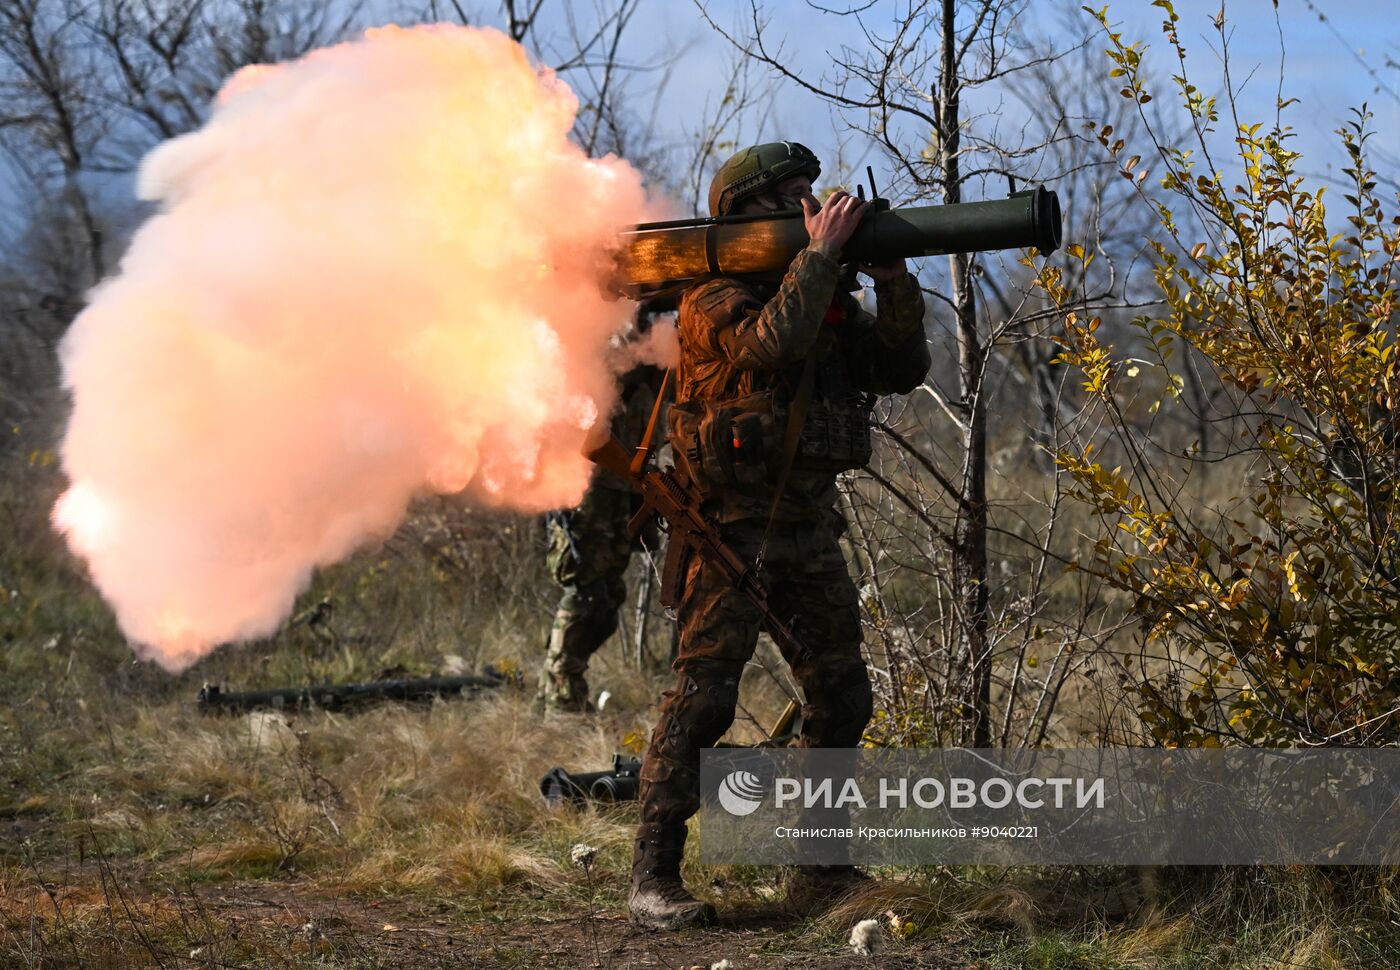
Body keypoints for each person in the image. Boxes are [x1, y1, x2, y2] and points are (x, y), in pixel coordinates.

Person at [628, 141, 931, 929]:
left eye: (814, 194)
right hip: (724, 533)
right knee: (704, 701)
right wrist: (822, 259)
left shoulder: (818, 296)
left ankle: (821, 870)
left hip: (802, 528)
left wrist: (894, 281)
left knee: (842, 691)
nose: (812, 208)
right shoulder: (713, 299)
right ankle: (653, 875)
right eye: (790, 198)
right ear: (743, 215)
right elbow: (769, 345)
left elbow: (898, 367)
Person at [540, 306, 669, 714]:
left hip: (624, 484)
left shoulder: (659, 349)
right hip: (589, 486)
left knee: (609, 594)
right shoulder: (609, 333)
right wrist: (641, 327)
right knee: (586, 592)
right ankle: (561, 699)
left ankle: (563, 686)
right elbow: (607, 368)